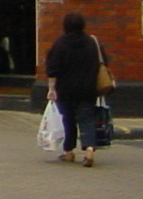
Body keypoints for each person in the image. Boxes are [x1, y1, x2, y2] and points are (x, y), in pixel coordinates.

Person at [43, 11, 109, 167]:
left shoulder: (60, 44)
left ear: (65, 26)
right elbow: (104, 62)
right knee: (87, 119)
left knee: (68, 120)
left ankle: (69, 152)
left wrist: (51, 89)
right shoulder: (92, 42)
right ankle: (90, 150)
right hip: (88, 88)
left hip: (65, 89)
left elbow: (53, 70)